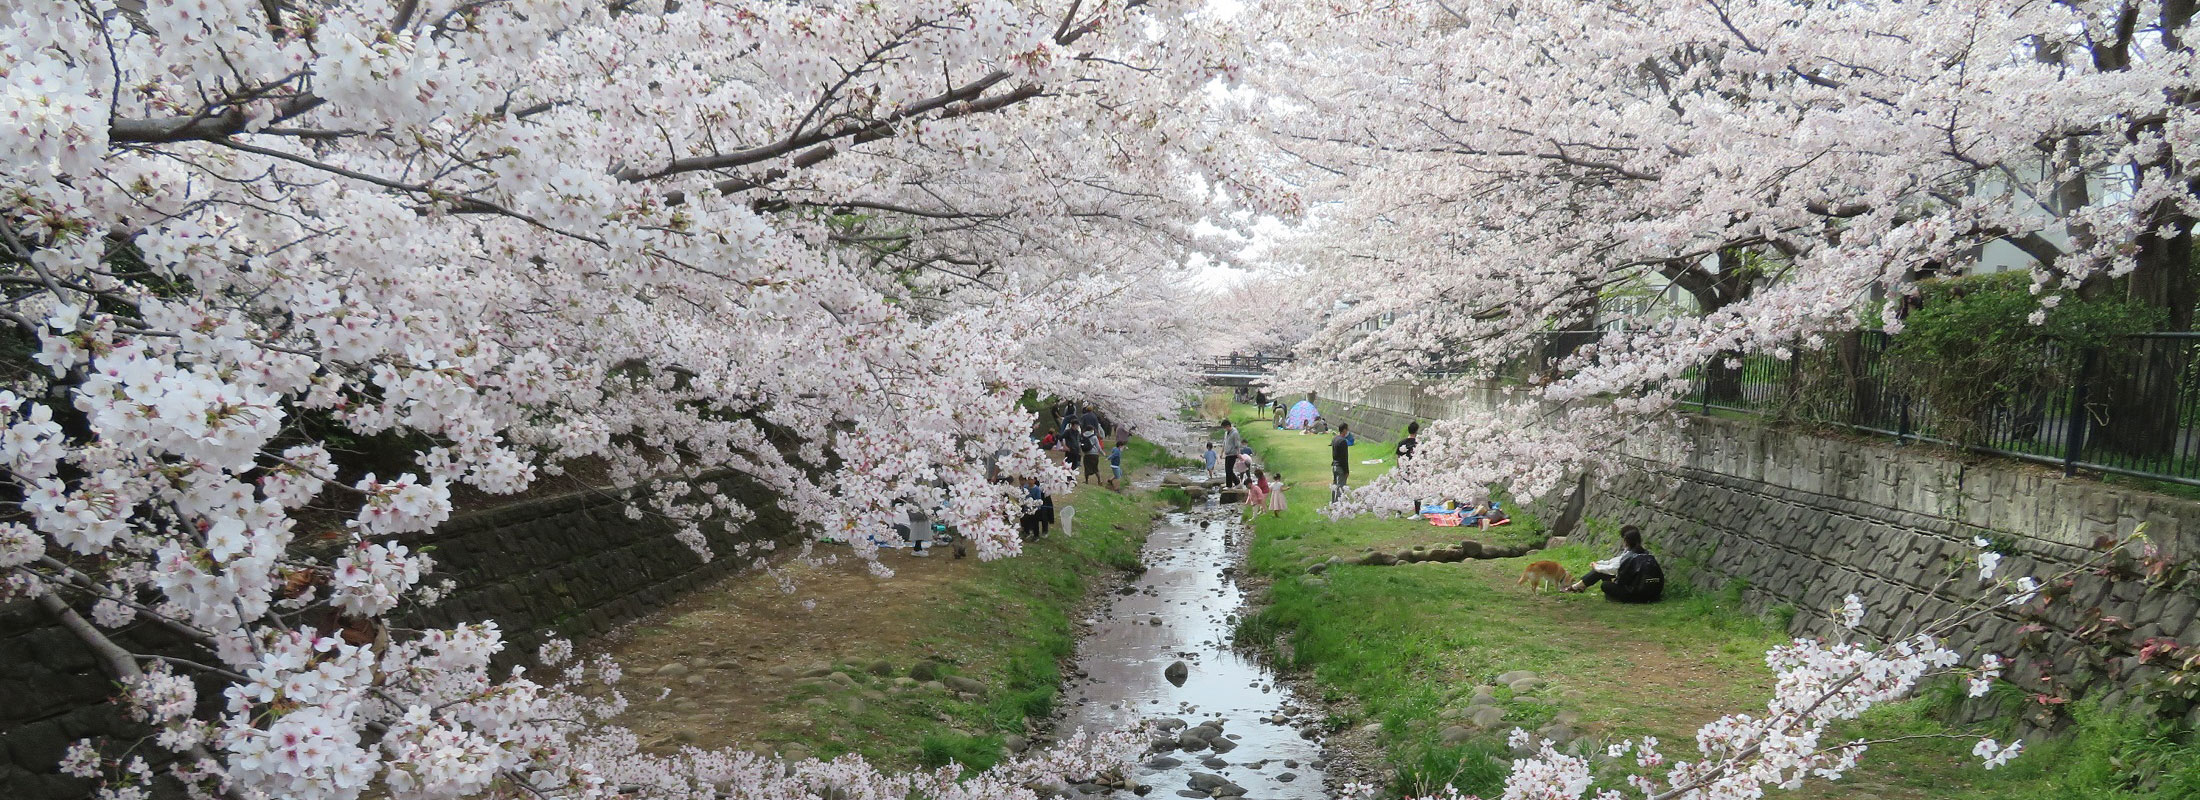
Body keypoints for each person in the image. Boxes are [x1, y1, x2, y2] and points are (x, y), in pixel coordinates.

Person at [1565, 525, 1665, 602]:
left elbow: (1614, 569)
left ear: (1626, 541)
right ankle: (1578, 587)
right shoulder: (1646, 554)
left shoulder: (1630, 556)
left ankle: (1577, 587)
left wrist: (1596, 566)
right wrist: (1600, 563)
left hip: (1635, 594)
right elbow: (1617, 561)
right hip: (1653, 594)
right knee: (1602, 572)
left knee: (1605, 584)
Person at [1329, 423, 1356, 503]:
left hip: (1334, 465)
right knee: (1340, 487)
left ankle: (1333, 502)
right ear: (1344, 430)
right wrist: (1346, 471)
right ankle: (1338, 504)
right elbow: (1344, 458)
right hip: (1340, 467)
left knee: (1335, 486)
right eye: (1347, 429)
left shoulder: (1335, 439)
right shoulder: (1343, 441)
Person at [1220, 420, 1243, 488]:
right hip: (1227, 453)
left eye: (1225, 427)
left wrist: (1238, 453)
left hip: (1233, 453)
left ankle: (1230, 485)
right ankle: (1236, 482)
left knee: (1229, 470)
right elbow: (1224, 443)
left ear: (1228, 426)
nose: (1224, 429)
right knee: (1228, 470)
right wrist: (1221, 452)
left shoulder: (1235, 433)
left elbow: (1237, 444)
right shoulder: (1226, 433)